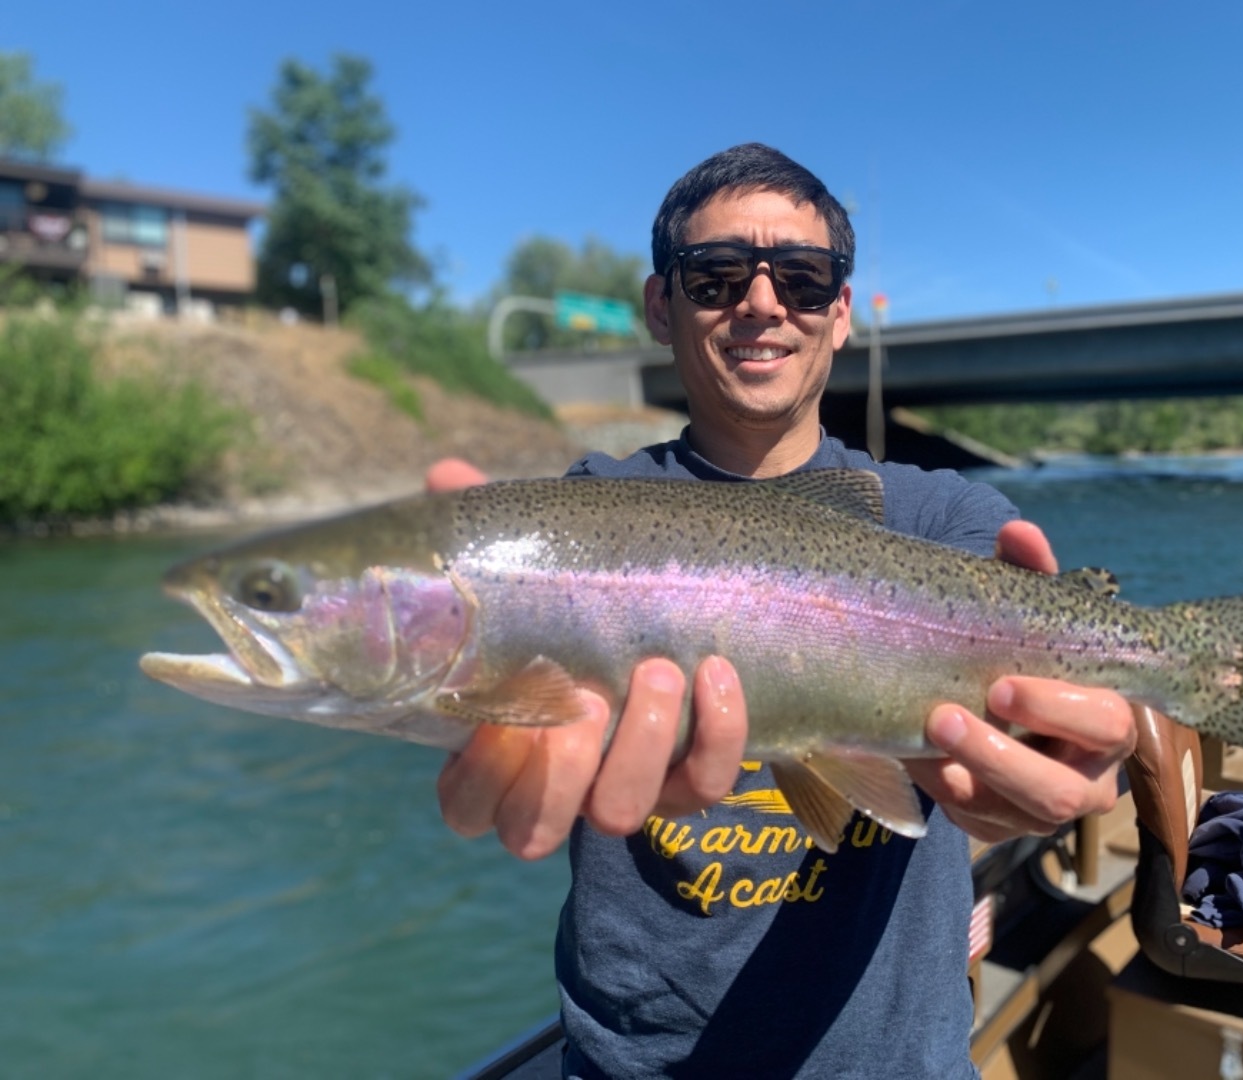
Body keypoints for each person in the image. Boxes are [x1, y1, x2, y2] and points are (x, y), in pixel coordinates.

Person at [429, 144, 1136, 1078]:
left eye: (801, 279)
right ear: (660, 306)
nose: (762, 303)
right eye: (716, 276)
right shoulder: (586, 519)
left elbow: (1072, 723)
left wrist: (1076, 757)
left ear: (839, 314)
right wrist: (472, 722)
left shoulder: (942, 521)